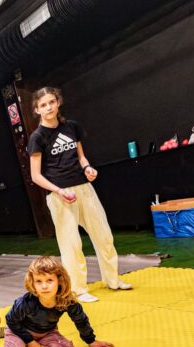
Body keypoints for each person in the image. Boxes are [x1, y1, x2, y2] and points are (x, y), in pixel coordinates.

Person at [26, 87, 132, 303]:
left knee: (104, 236)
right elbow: (35, 176)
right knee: (71, 244)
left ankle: (113, 279)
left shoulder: (71, 127)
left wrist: (87, 168)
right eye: (43, 105)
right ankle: (78, 289)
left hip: (84, 189)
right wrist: (58, 190)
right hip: (59, 196)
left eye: (51, 102)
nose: (49, 107)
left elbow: (81, 157)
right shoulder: (37, 137)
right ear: (37, 110)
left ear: (58, 102)